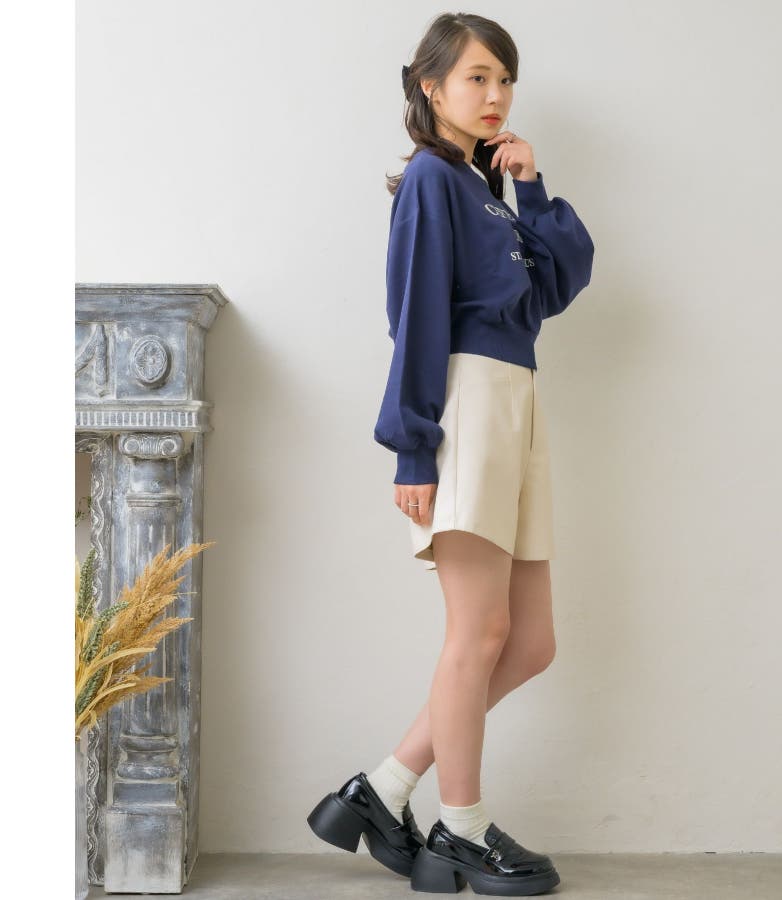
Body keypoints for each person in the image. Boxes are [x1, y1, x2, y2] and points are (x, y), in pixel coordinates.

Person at [308, 12, 594, 896]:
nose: (496, 95)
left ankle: (382, 788)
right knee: (479, 633)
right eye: (477, 77)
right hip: (467, 405)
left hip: (517, 407)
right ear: (431, 86)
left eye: (505, 79)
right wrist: (413, 449)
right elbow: (416, 317)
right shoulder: (432, 182)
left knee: (530, 642)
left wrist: (531, 188)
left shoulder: (485, 189)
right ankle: (461, 829)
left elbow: (558, 285)